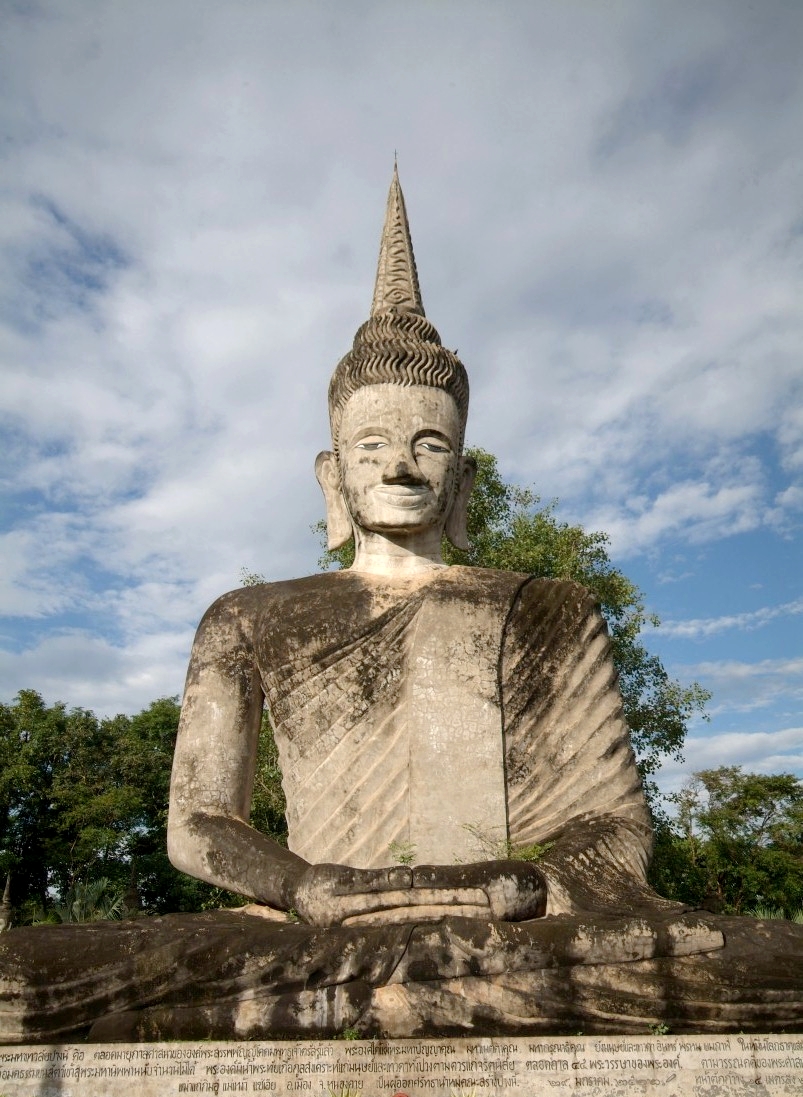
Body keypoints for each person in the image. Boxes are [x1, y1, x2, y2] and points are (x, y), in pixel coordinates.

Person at [3, 170, 802, 1044]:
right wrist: (303, 887)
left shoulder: (550, 609)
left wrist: (524, 887)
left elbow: (611, 826)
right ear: (332, 473)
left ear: (460, 478)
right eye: (373, 445)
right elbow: (199, 825)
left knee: (759, 958)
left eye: (430, 445)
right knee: (28, 977)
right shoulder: (248, 616)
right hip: (312, 935)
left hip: (516, 932)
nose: (399, 468)